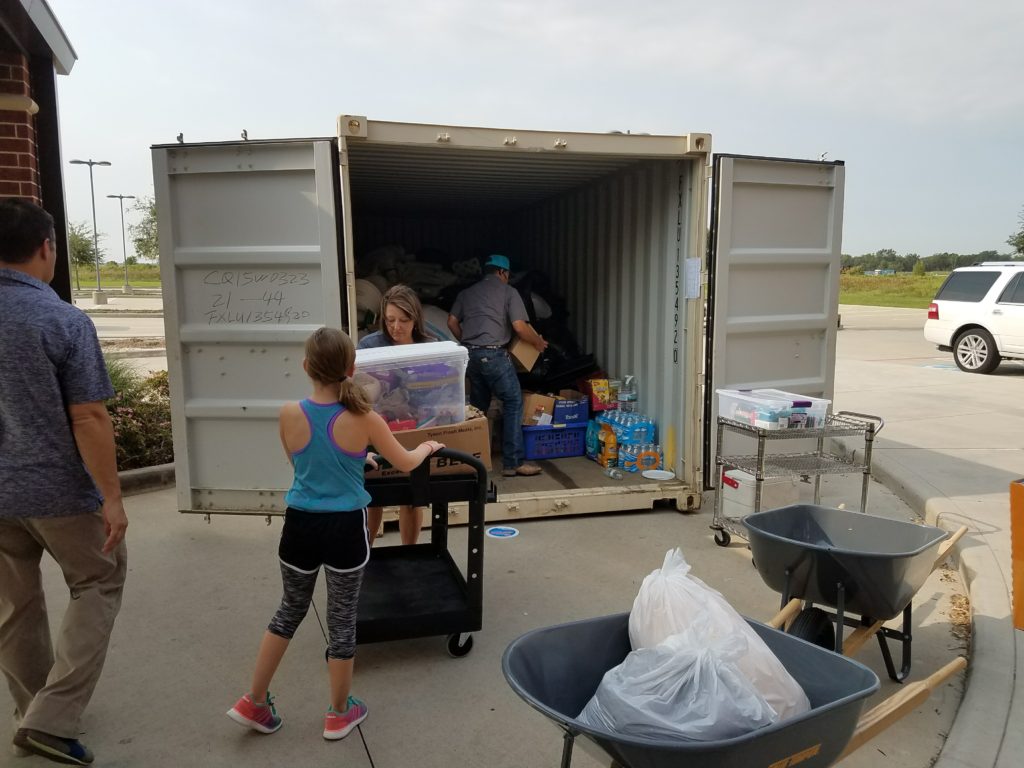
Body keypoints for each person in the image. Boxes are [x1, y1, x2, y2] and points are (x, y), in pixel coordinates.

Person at [227, 327, 443, 741]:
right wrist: (429, 448)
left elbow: (303, 464)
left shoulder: (289, 413)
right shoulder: (365, 419)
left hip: (300, 526)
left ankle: (253, 700)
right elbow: (408, 461)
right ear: (351, 368)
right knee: (342, 620)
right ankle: (339, 713)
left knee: (289, 609)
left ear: (306, 367)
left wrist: (356, 459)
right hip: (344, 528)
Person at [0, 198, 128, 766]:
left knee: (16, 605)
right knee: (98, 581)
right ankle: (51, 719)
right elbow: (89, 417)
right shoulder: (63, 320)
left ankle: (34, 710)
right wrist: (112, 496)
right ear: (46, 247)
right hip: (55, 491)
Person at [447, 254, 548, 477]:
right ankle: (513, 463)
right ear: (503, 273)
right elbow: (520, 327)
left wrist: (467, 342)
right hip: (493, 354)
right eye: (507, 275)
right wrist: (538, 342)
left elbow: (451, 321)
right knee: (513, 401)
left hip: (470, 357)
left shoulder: (467, 293)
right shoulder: (508, 292)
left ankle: (474, 461)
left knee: (478, 408)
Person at [358, 285, 435, 545]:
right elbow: (361, 392)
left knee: (413, 498)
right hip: (377, 430)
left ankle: (410, 553)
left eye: (404, 320)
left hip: (417, 429)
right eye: (390, 320)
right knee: (374, 499)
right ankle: (364, 557)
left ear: (416, 319)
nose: (396, 327)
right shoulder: (370, 345)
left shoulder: (429, 345)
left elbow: (438, 391)